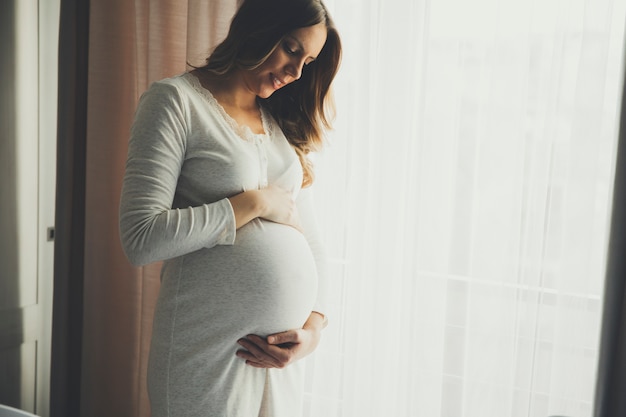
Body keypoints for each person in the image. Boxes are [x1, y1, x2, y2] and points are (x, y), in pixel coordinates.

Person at [118, 0, 342, 416]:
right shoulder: (176, 102)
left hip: (279, 364)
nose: (296, 73)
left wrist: (312, 331)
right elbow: (141, 238)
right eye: (292, 49)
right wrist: (252, 203)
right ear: (257, 28)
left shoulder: (279, 125)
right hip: (206, 351)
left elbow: (312, 243)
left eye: (308, 62)